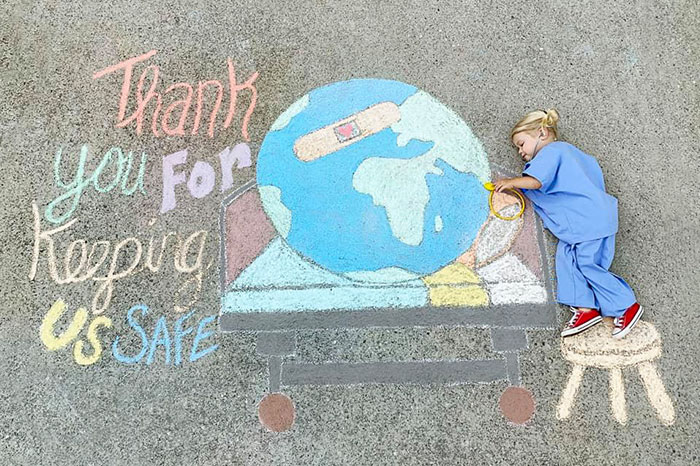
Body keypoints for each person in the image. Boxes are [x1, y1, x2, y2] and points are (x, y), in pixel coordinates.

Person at [493, 108, 643, 339]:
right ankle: (585, 309)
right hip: (581, 224)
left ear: (542, 133)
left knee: (588, 264)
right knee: (568, 261)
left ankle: (626, 306)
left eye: (521, 144)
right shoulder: (570, 156)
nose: (520, 151)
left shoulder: (553, 152)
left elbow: (536, 181)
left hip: (587, 221)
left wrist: (511, 182)